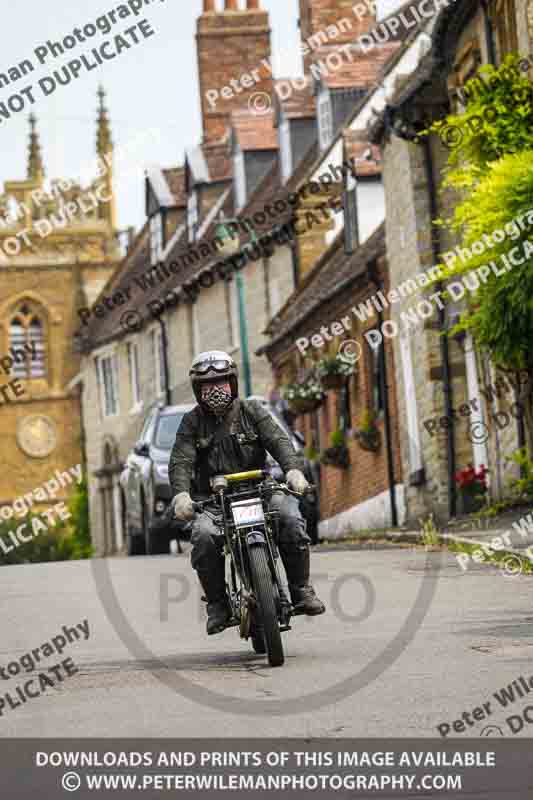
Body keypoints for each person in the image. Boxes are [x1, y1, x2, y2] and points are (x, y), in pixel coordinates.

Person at [169, 350, 325, 635]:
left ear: (234, 383)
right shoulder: (191, 423)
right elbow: (181, 460)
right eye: (207, 386)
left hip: (261, 489)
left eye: (222, 383)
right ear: (197, 390)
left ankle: (301, 590)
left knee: (291, 518)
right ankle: (217, 605)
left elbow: (278, 441)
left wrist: (293, 471)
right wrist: (181, 495)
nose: (215, 390)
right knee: (203, 537)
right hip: (215, 501)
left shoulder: (253, 411)